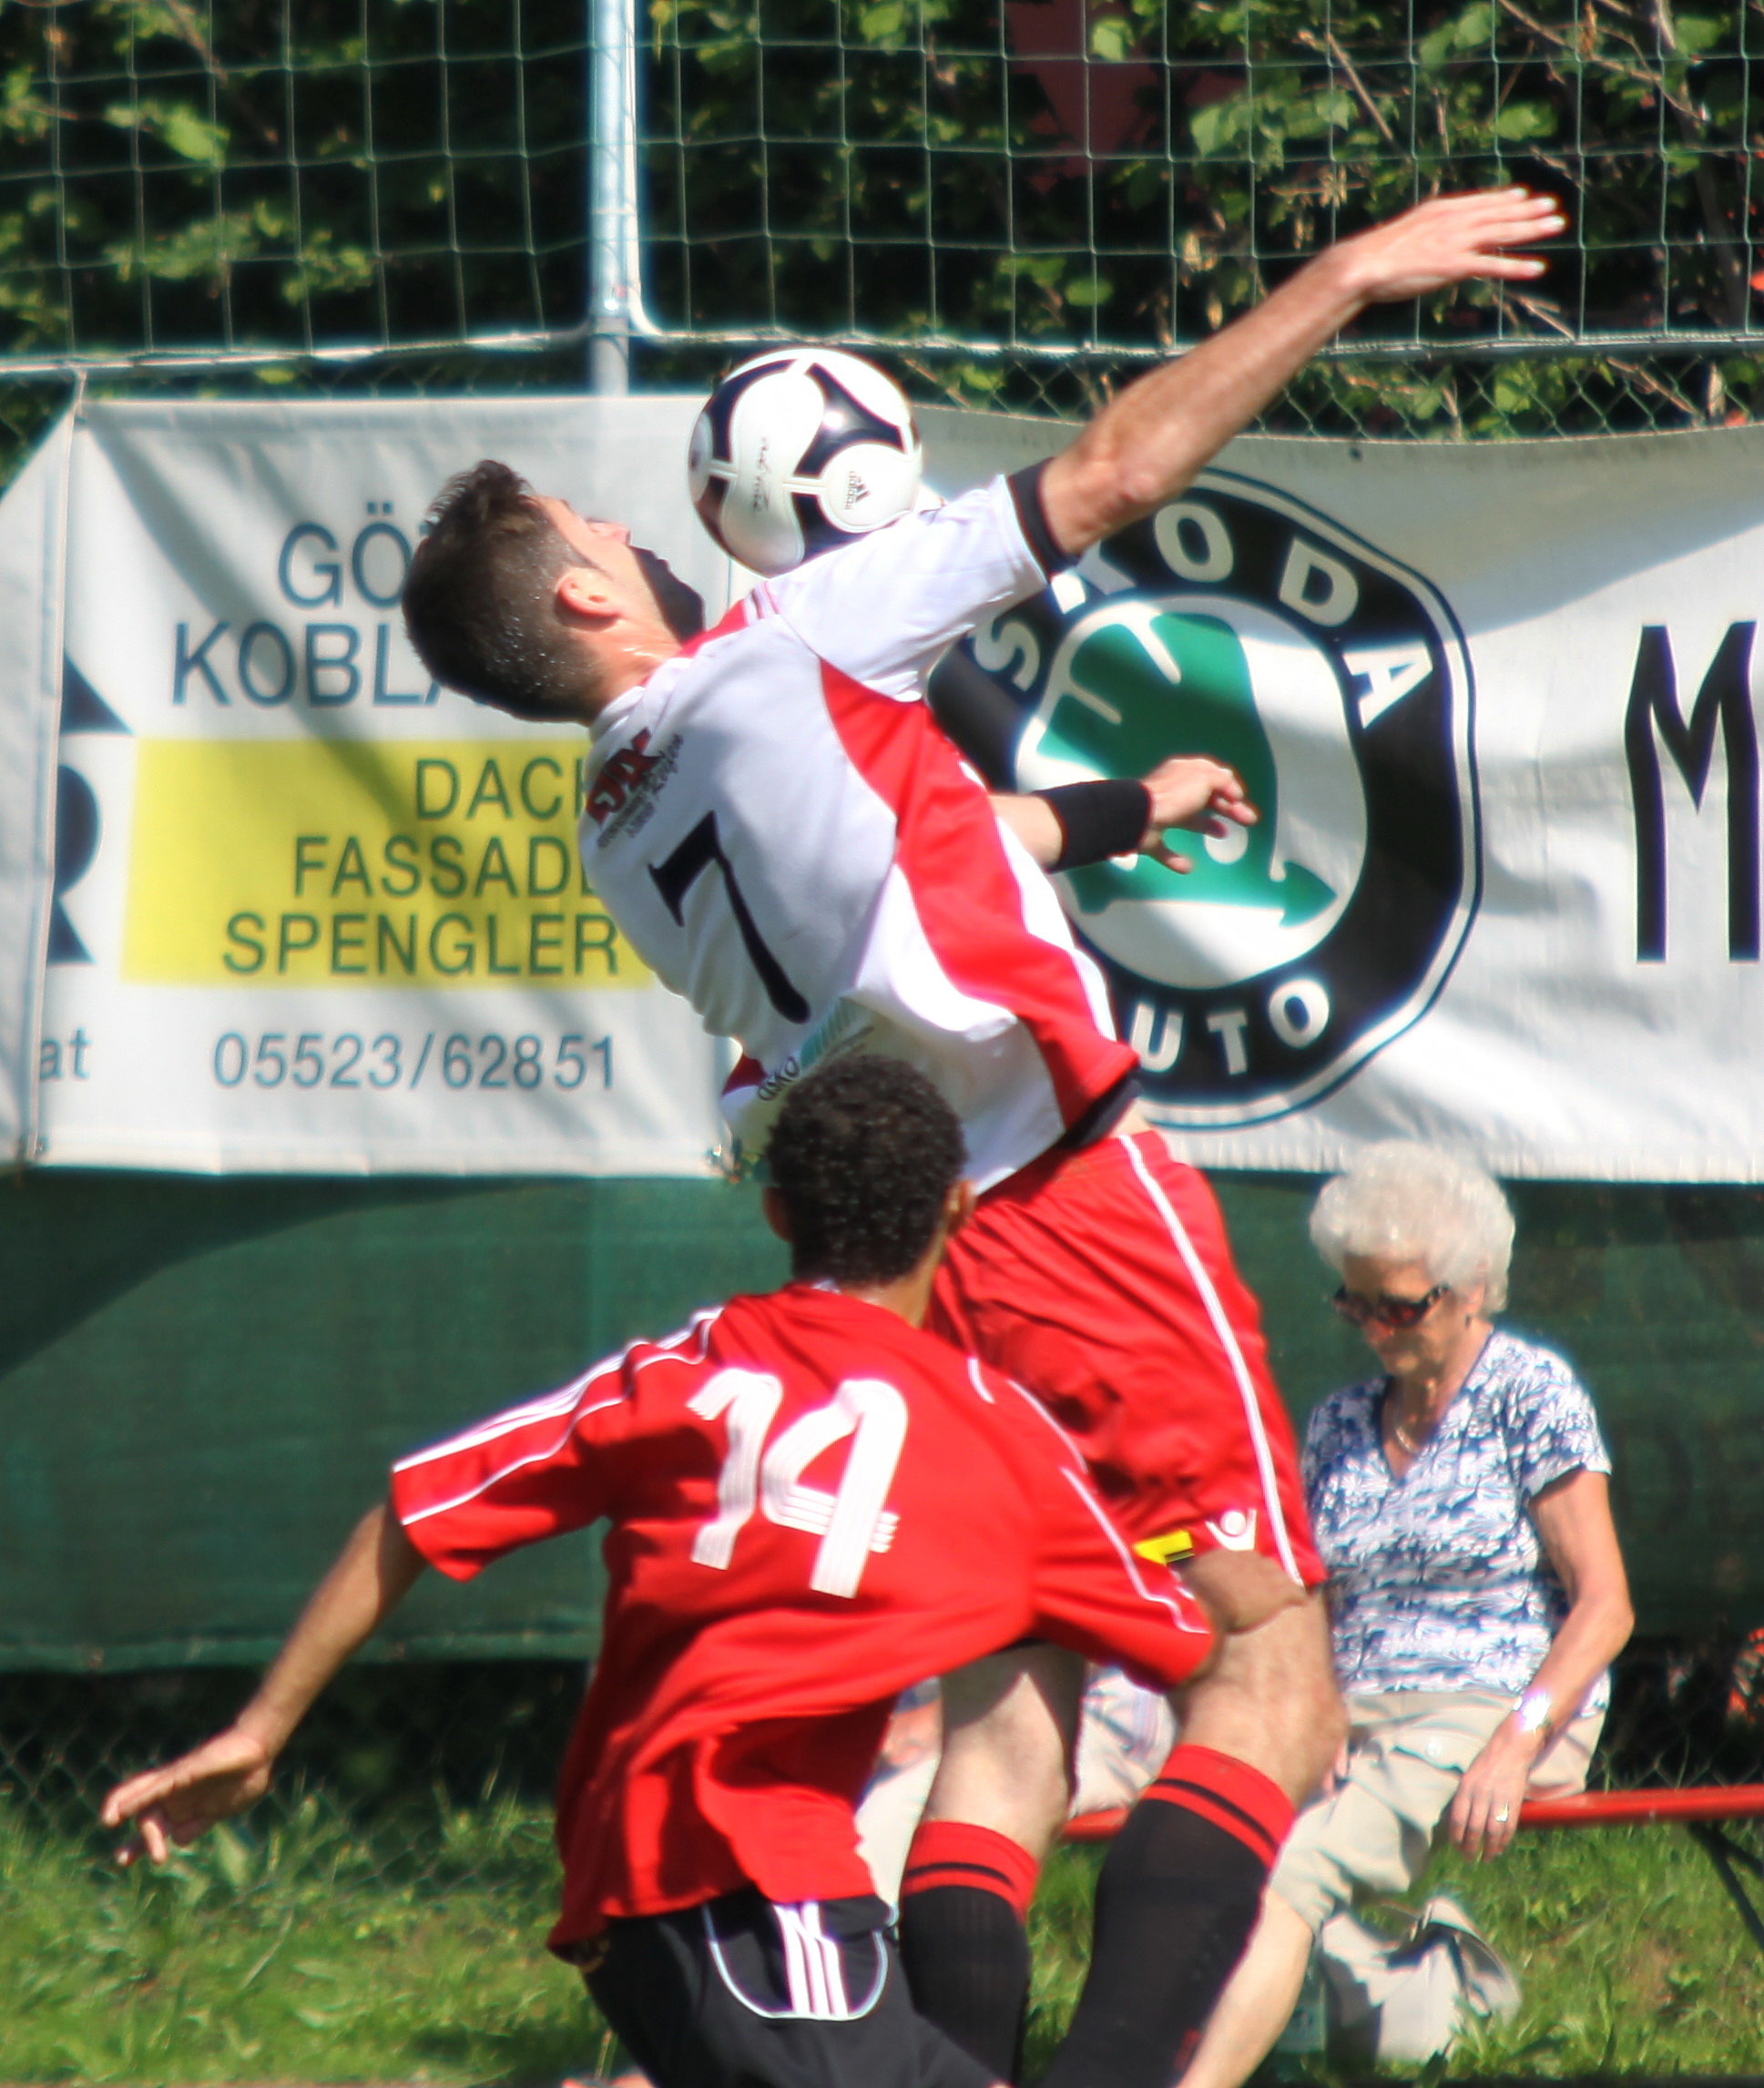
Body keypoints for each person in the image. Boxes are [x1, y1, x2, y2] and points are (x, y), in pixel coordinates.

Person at [400, 186, 1566, 2088]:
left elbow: (915, 859)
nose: (630, 528)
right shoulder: (790, 639)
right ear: (592, 599)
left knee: (1012, 1704)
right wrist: (1348, 272)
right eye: (598, 529)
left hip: (912, 1272)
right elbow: (1111, 471)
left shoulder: (615, 825)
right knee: (1267, 1685)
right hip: (1063, 1206)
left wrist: (1114, 811)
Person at [97, 1057, 1217, 2088]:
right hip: (759, 1880)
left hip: (630, 1876)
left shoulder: (684, 1369)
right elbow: (1176, 1627)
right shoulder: (996, 1432)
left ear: (776, 1213)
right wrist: (1178, 1527)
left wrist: (260, 1730)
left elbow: (415, 1509)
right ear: (960, 1209)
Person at [1178, 1142, 1634, 2088]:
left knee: (1295, 1872)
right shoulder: (1338, 1421)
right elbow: (1308, 1597)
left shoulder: (1529, 1393)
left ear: (1472, 1288)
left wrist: (1511, 1745)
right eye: (1355, 1302)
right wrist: (1312, 1713)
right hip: (1357, 1713)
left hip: (1495, 1702)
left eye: (1398, 1304)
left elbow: (1605, 1604)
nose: (1374, 1327)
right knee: (1203, 1841)